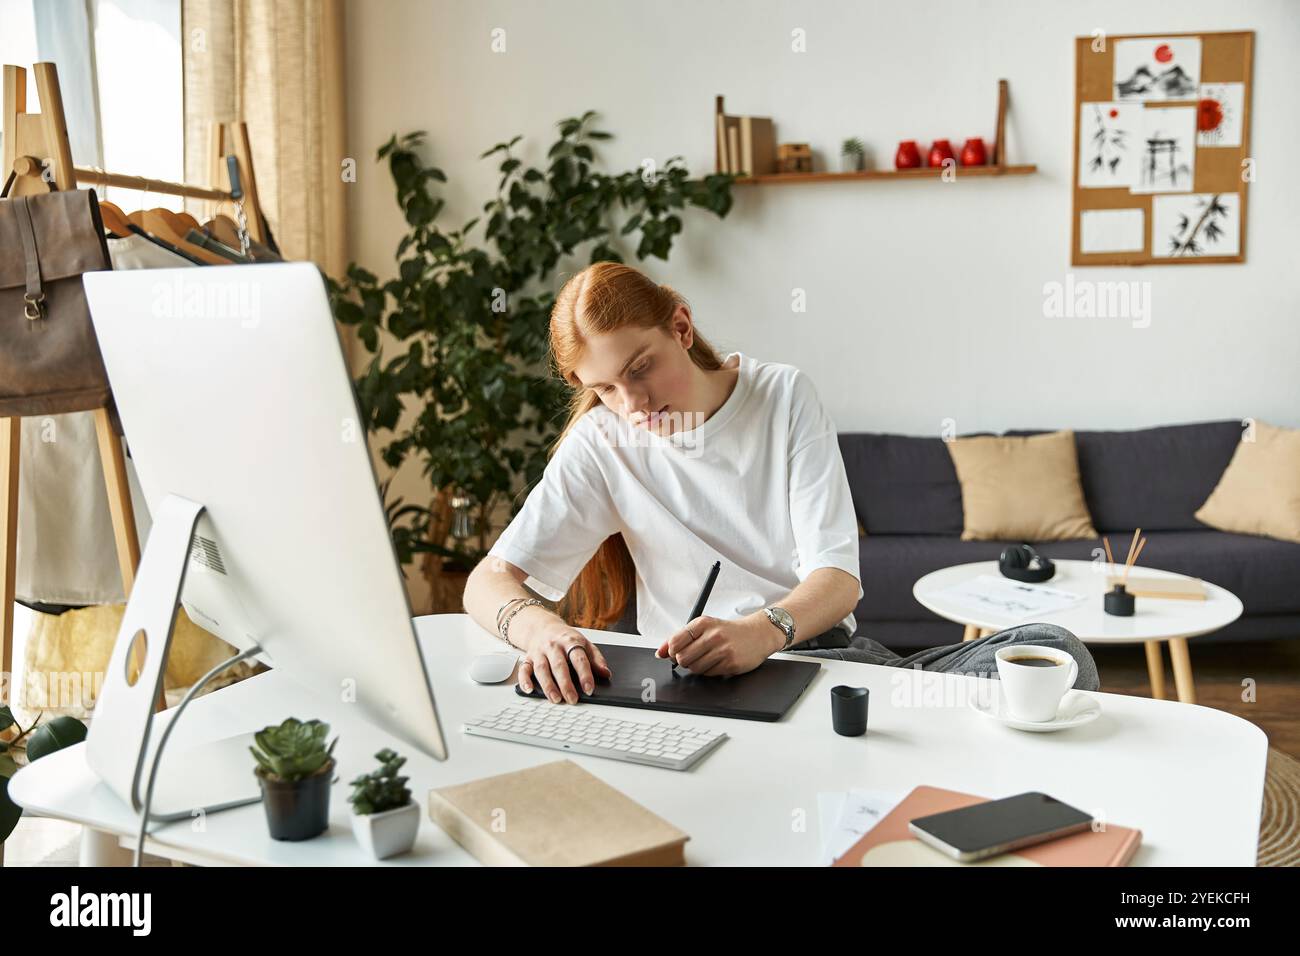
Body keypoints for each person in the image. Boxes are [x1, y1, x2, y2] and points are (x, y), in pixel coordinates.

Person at [462, 262, 1099, 704]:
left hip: (813, 657)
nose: (632, 404)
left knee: (1058, 651)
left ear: (680, 328)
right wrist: (538, 629)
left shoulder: (781, 395)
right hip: (684, 684)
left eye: (641, 368)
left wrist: (761, 632)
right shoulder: (603, 442)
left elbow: (838, 581)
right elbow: (486, 583)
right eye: (604, 388)